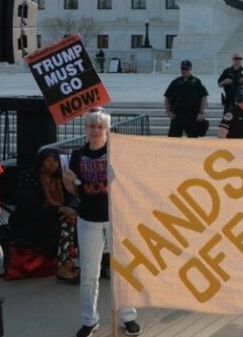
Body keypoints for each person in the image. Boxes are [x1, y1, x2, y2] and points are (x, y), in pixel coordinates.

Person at [63, 108, 140, 337]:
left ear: (107, 129)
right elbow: (76, 190)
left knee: (124, 270)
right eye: (92, 126)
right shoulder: (77, 155)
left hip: (116, 217)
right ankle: (89, 319)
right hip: (88, 219)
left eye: (100, 126)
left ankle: (128, 316)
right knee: (89, 273)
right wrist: (68, 183)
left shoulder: (116, 151)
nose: (96, 131)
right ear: (85, 129)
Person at [9, 146, 79, 283]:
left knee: (75, 220)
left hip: (56, 217)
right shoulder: (30, 178)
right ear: (41, 161)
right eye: (48, 160)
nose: (52, 164)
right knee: (67, 225)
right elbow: (31, 208)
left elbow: (72, 199)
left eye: (56, 161)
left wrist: (69, 208)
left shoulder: (62, 178)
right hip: (32, 221)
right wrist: (59, 210)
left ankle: (72, 263)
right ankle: (64, 266)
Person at [164, 59, 209, 138]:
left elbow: (204, 97)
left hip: (192, 115)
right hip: (177, 115)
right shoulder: (175, 82)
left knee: (193, 140)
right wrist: (168, 112)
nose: (184, 71)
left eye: (186, 69)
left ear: (190, 69)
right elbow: (167, 98)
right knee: (172, 140)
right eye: (182, 68)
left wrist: (201, 112)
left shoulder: (196, 82)